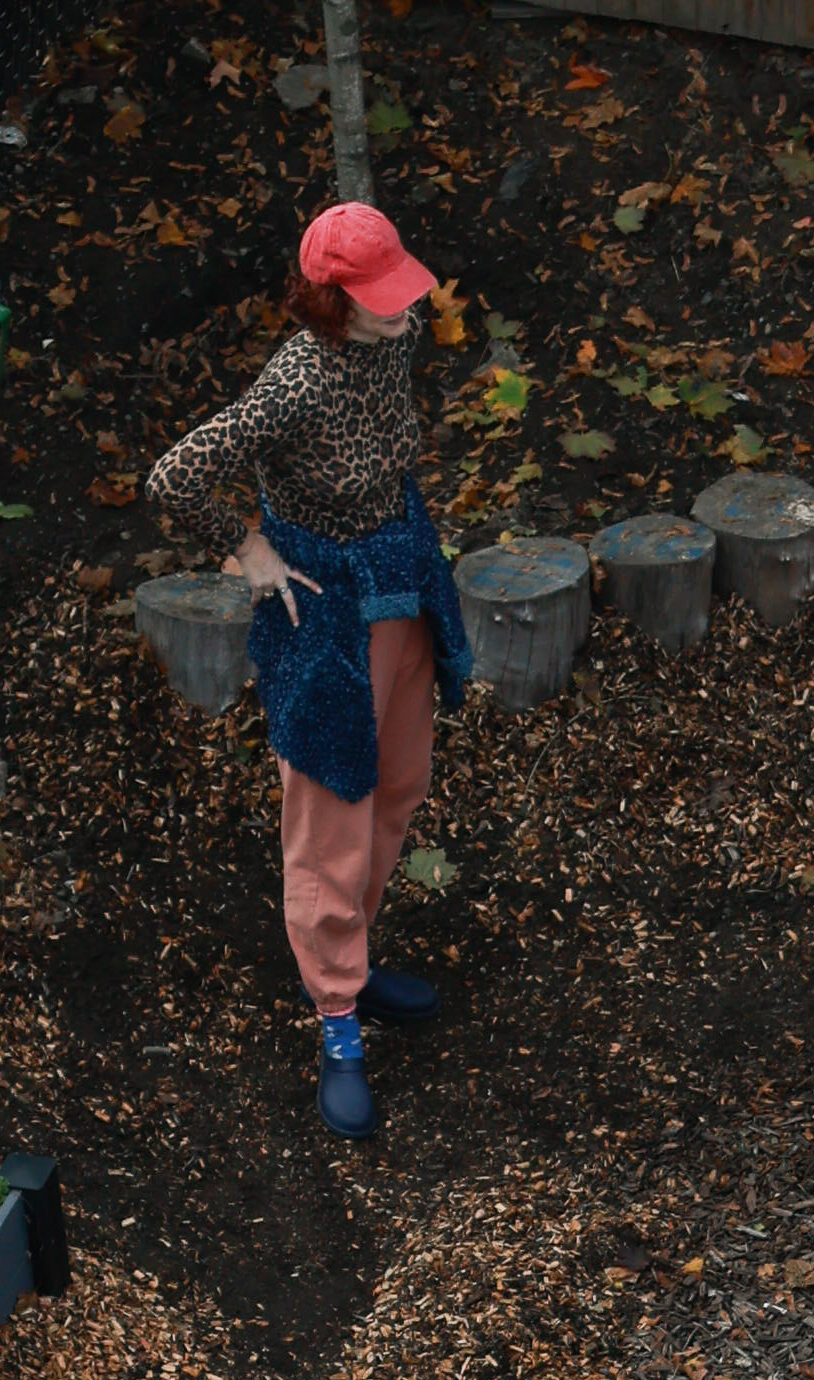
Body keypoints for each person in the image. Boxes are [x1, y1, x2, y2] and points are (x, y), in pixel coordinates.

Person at [146, 202, 473, 1143]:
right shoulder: (291, 384)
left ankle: (356, 962)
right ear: (332, 304)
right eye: (380, 300)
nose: (406, 311)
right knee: (331, 812)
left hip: (399, 586)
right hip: (321, 614)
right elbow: (173, 476)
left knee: (399, 786)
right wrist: (246, 549)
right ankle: (337, 1016)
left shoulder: (392, 342)